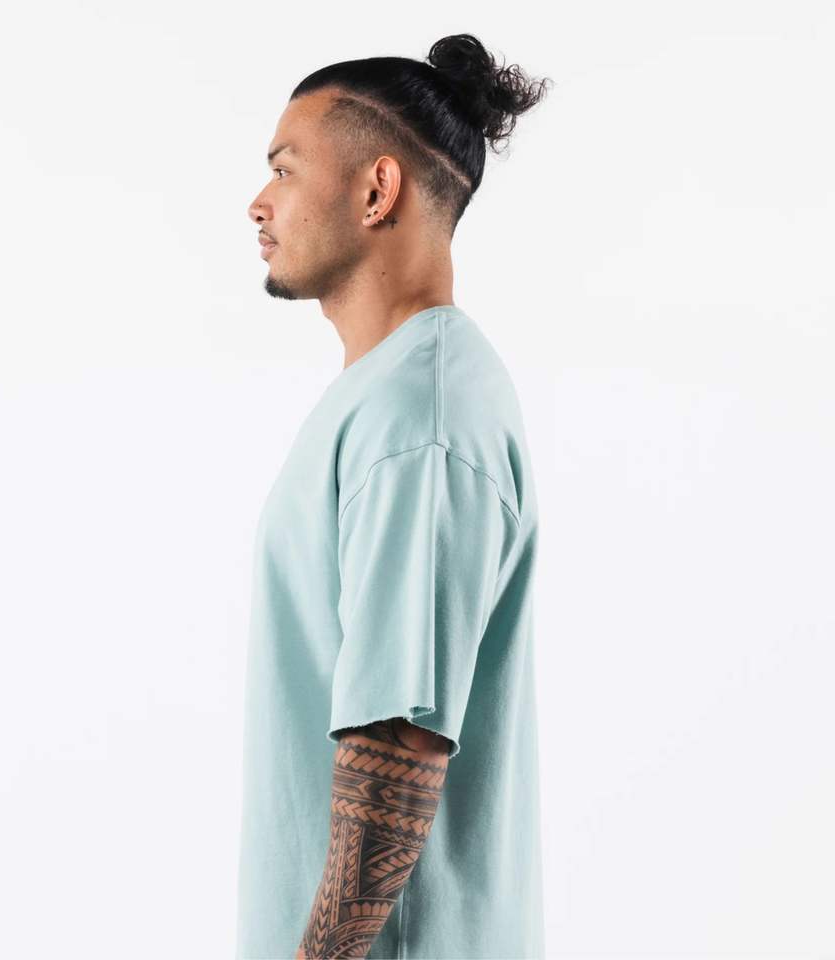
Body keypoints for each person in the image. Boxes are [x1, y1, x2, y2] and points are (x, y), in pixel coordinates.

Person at [238, 33, 553, 960]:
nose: (258, 202)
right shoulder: (390, 397)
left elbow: (397, 742)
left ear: (378, 190)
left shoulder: (423, 415)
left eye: (284, 170)